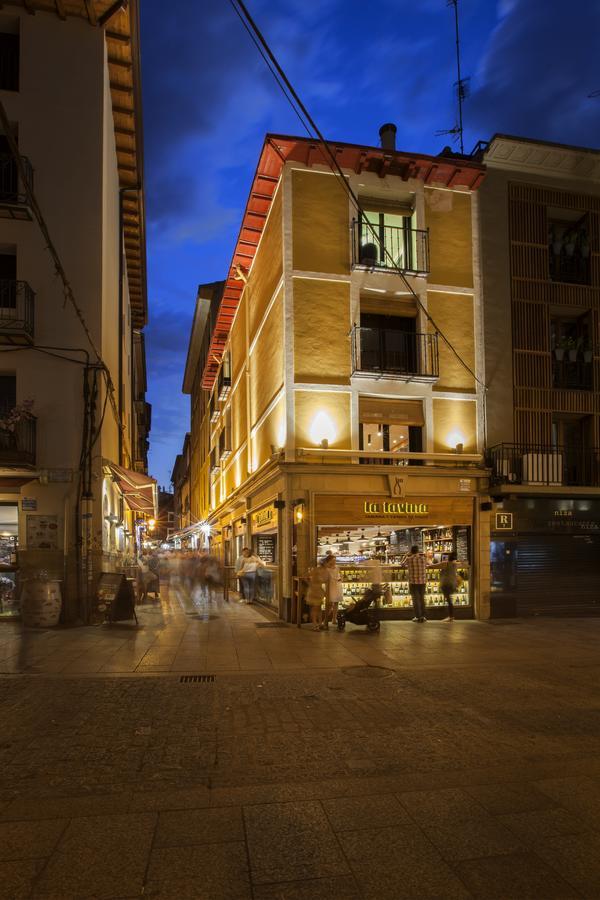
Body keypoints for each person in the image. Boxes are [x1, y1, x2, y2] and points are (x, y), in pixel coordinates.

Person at [403, 544, 428, 622]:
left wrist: (405, 556)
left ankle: (418, 617)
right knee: (422, 599)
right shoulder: (423, 558)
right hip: (423, 581)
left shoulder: (408, 559)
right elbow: (430, 564)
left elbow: (402, 564)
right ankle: (423, 616)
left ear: (411, 551)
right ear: (418, 551)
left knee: (415, 599)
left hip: (413, 582)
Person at [323, 554, 343, 629]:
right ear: (329, 561)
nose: (334, 562)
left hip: (337, 585)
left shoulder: (337, 567)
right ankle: (325, 620)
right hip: (330, 586)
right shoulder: (326, 568)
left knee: (336, 603)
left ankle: (334, 619)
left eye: (335, 560)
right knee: (330, 604)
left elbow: (340, 575)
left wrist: (341, 578)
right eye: (333, 560)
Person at [305, 561, 327, 631]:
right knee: (315, 608)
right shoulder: (316, 570)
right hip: (313, 591)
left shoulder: (325, 571)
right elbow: (306, 576)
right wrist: (310, 584)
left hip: (319, 591)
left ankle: (320, 623)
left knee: (319, 608)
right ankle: (315, 624)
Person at [439, 551, 458, 622]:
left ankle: (451, 617)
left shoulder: (446, 563)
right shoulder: (455, 564)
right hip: (452, 583)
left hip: (446, 583)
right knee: (449, 599)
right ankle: (451, 616)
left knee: (449, 600)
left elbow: (434, 565)